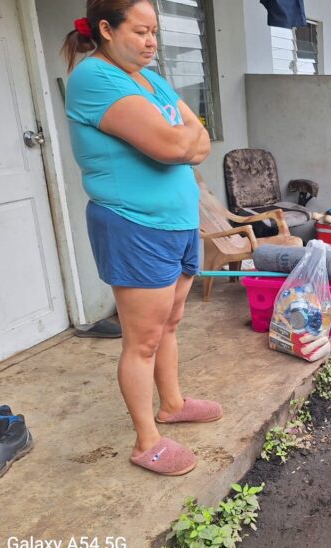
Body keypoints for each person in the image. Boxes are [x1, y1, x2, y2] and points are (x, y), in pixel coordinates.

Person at [62, 0, 220, 476]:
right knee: (142, 340)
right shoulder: (95, 79)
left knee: (169, 324)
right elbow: (177, 144)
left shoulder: (148, 78)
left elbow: (201, 140)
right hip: (135, 226)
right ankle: (146, 440)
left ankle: (170, 403)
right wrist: (184, 137)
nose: (152, 42)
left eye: (155, 32)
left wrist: (187, 137)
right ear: (106, 29)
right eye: (141, 31)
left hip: (177, 223)